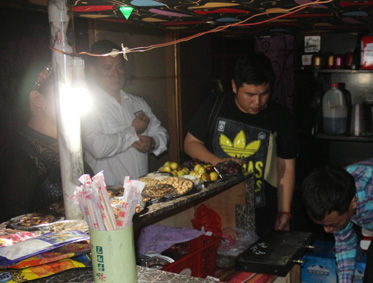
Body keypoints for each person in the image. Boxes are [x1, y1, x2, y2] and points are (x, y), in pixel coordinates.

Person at [184, 54, 297, 236]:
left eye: (264, 94)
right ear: (235, 86)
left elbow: (286, 167)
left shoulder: (281, 117)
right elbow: (190, 143)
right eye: (250, 95)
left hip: (262, 214)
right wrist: (219, 162)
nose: (257, 102)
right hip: (216, 209)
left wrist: (284, 212)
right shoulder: (216, 105)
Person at [0, 64, 93, 221]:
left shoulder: (70, 145)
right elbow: (11, 222)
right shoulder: (19, 156)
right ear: (37, 99)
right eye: (66, 89)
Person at [301, 158, 373, 283]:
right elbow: (345, 244)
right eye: (323, 225)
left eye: (332, 224)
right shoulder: (337, 194)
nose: (327, 230)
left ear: (353, 203)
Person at [81, 40, 168, 187]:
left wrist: (152, 143)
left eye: (120, 67)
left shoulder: (137, 102)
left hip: (142, 188)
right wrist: (133, 131)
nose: (116, 74)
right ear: (93, 70)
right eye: (107, 68)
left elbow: (162, 134)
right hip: (108, 194)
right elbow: (97, 147)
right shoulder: (87, 105)